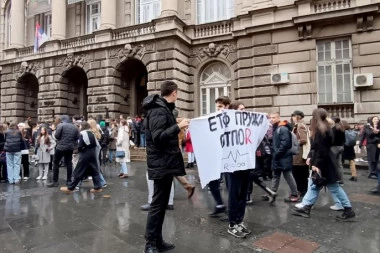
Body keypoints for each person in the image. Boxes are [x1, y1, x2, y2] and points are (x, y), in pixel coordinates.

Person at [143, 81, 190, 253]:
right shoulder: (158, 110)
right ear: (174, 93)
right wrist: (178, 126)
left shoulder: (163, 109)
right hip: (161, 163)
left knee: (161, 205)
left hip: (166, 163)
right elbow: (157, 137)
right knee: (157, 205)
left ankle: (158, 241)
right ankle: (150, 244)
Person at [292, 108, 356, 221]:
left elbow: (321, 149)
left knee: (333, 187)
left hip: (324, 163)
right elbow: (318, 148)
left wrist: (316, 164)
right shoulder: (325, 128)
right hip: (325, 162)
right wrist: (312, 158)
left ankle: (348, 210)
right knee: (315, 185)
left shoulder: (321, 130)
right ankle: (306, 208)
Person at [60, 121, 103, 193]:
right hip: (92, 154)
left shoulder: (83, 134)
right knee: (94, 171)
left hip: (85, 154)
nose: (79, 127)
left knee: (78, 171)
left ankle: (70, 188)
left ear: (82, 127)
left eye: (80, 126)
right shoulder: (91, 133)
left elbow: (80, 146)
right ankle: (98, 187)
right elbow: (95, 144)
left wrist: (79, 150)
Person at [269, 112, 300, 202]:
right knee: (276, 175)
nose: (272, 119)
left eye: (274, 117)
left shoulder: (282, 129)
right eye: (271, 117)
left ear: (279, 118)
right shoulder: (277, 128)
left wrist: (278, 153)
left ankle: (295, 194)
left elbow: (285, 143)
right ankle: (272, 192)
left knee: (288, 175)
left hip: (283, 156)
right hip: (279, 156)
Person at [208, 96, 231, 217]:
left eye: (220, 107)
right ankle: (220, 204)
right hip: (217, 156)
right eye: (217, 107)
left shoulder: (233, 120)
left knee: (230, 184)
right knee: (212, 181)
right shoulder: (215, 119)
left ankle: (231, 209)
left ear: (227, 106)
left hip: (229, 157)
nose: (218, 110)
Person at [47, 115, 79, 187]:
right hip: (70, 147)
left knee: (55, 162)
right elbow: (77, 137)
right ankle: (69, 181)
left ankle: (55, 181)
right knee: (69, 163)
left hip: (61, 147)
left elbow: (57, 136)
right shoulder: (74, 127)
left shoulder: (61, 125)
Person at [291, 110, 310, 196]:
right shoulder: (301, 125)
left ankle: (301, 190)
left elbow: (303, 139)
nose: (292, 118)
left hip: (299, 154)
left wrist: (294, 142)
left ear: (297, 117)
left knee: (299, 173)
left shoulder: (300, 126)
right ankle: (302, 190)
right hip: (299, 153)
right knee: (301, 173)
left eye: (293, 116)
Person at [330, 117, 345, 183]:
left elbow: (331, 140)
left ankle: (333, 179)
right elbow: (344, 140)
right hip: (341, 147)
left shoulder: (333, 129)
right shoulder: (342, 128)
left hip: (334, 147)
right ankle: (341, 179)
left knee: (332, 164)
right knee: (339, 164)